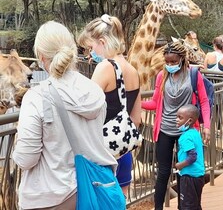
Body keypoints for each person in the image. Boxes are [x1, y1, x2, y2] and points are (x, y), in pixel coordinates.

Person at [12, 21, 118, 209]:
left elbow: (26, 159)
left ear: (41, 56)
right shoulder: (95, 91)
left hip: (50, 198)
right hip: (92, 190)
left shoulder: (37, 97)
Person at [77, 14, 142, 198]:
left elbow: (86, 110)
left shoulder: (106, 67)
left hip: (102, 152)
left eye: (91, 47)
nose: (91, 53)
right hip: (124, 151)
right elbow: (136, 119)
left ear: (102, 41)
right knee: (119, 202)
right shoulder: (133, 70)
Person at [141, 41, 210, 210]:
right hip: (165, 129)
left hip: (186, 131)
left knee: (184, 171)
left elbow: (204, 101)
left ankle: (184, 206)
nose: (170, 65)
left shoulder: (194, 75)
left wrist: (207, 125)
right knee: (163, 172)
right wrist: (137, 102)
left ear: (182, 59)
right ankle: (158, 208)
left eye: (173, 61)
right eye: (167, 62)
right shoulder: (161, 76)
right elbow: (155, 102)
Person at [175, 104, 205, 210]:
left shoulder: (185, 137)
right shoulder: (195, 133)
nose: (177, 120)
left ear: (190, 121)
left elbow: (192, 156)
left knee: (187, 206)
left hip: (189, 176)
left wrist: (180, 165)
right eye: (177, 116)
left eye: (180, 118)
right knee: (195, 205)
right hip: (198, 175)